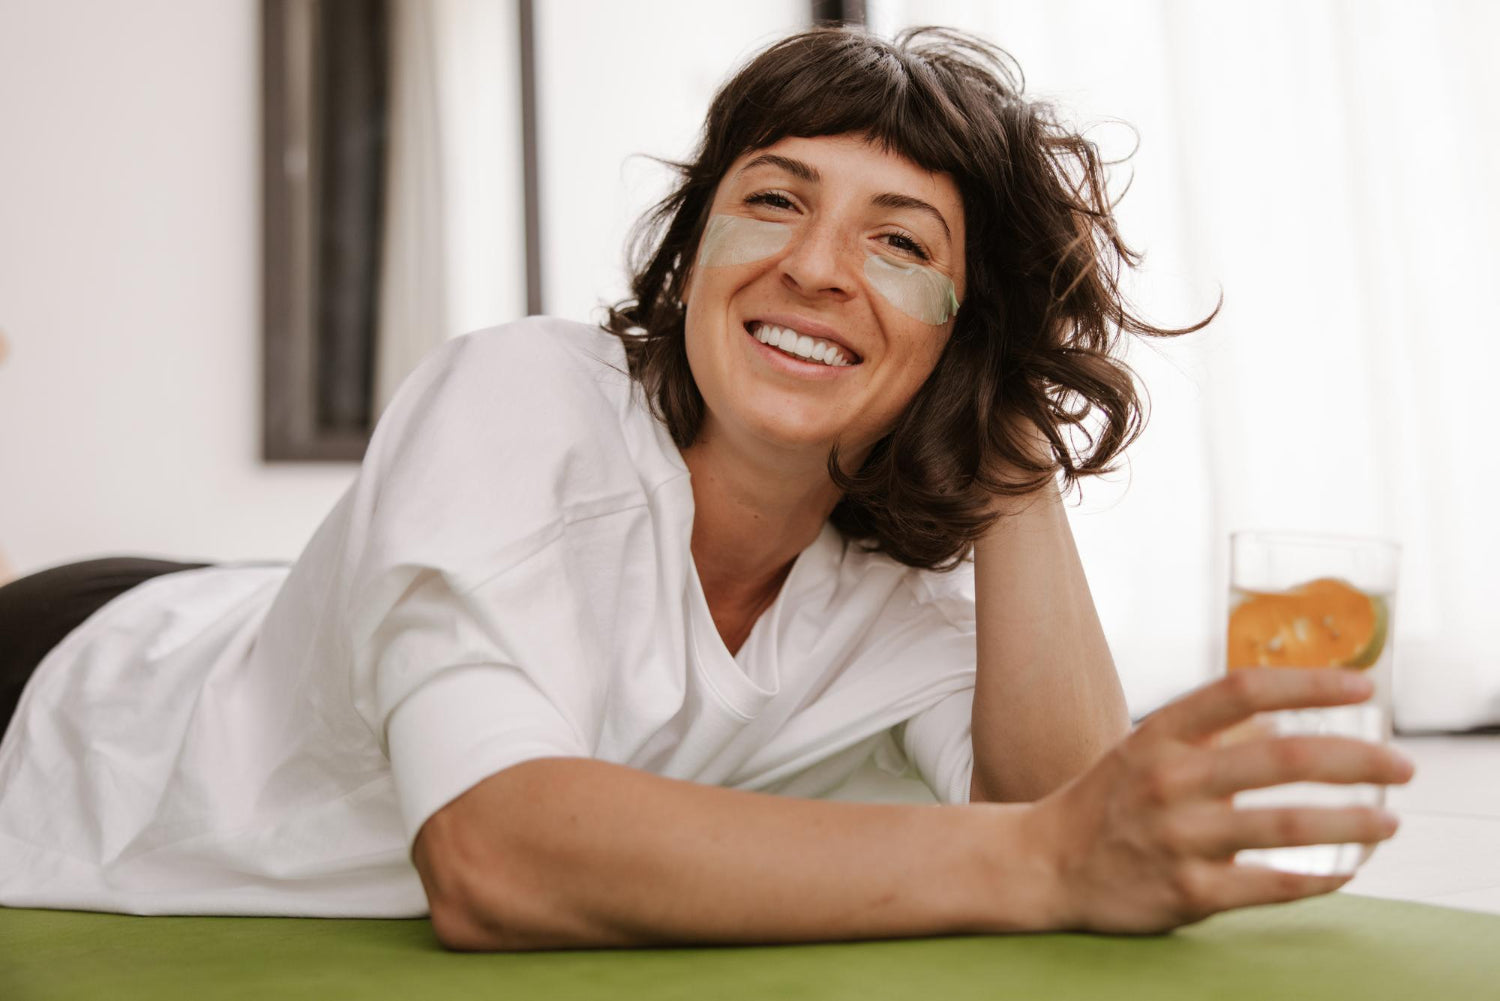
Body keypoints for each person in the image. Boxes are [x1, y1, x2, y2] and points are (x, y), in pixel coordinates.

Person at [0, 26, 1411, 948]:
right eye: (777, 198)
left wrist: (1013, 442)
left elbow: (1063, 801)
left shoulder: (909, 582)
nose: (813, 265)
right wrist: (1038, 860)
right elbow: (495, 860)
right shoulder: (520, 396)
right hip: (78, 673)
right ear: (696, 250)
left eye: (899, 240)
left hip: (262, 615)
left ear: (958, 333)